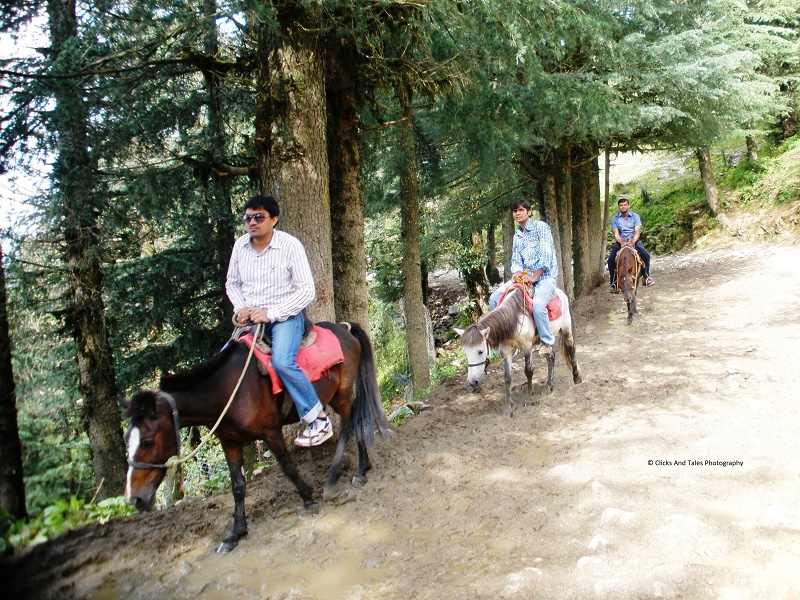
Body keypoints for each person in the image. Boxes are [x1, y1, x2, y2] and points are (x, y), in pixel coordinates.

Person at [226, 195, 332, 448]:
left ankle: (318, 419)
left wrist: (271, 314)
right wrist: (240, 308)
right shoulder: (240, 246)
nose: (252, 222)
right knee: (226, 359)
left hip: (286, 317)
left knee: (283, 362)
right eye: (247, 217)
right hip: (251, 319)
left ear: (274, 219)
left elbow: (306, 291)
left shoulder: (290, 246)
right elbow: (232, 283)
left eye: (259, 217)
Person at [489, 200, 559, 356]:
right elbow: (515, 260)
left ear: (529, 212)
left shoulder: (541, 228)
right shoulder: (517, 235)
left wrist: (534, 277)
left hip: (544, 276)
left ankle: (546, 342)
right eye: (515, 211)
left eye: (521, 210)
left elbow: (546, 256)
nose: (517, 213)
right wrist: (517, 273)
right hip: (524, 277)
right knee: (494, 298)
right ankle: (503, 337)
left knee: (539, 305)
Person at [607, 196, 654, 293]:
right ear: (618, 207)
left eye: (625, 205)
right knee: (611, 260)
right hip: (621, 241)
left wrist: (632, 243)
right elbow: (616, 234)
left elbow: (637, 232)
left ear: (628, 206)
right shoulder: (614, 218)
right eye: (621, 205)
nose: (623, 207)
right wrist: (623, 243)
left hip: (634, 240)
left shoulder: (635, 216)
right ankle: (613, 282)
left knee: (645, 255)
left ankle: (646, 276)